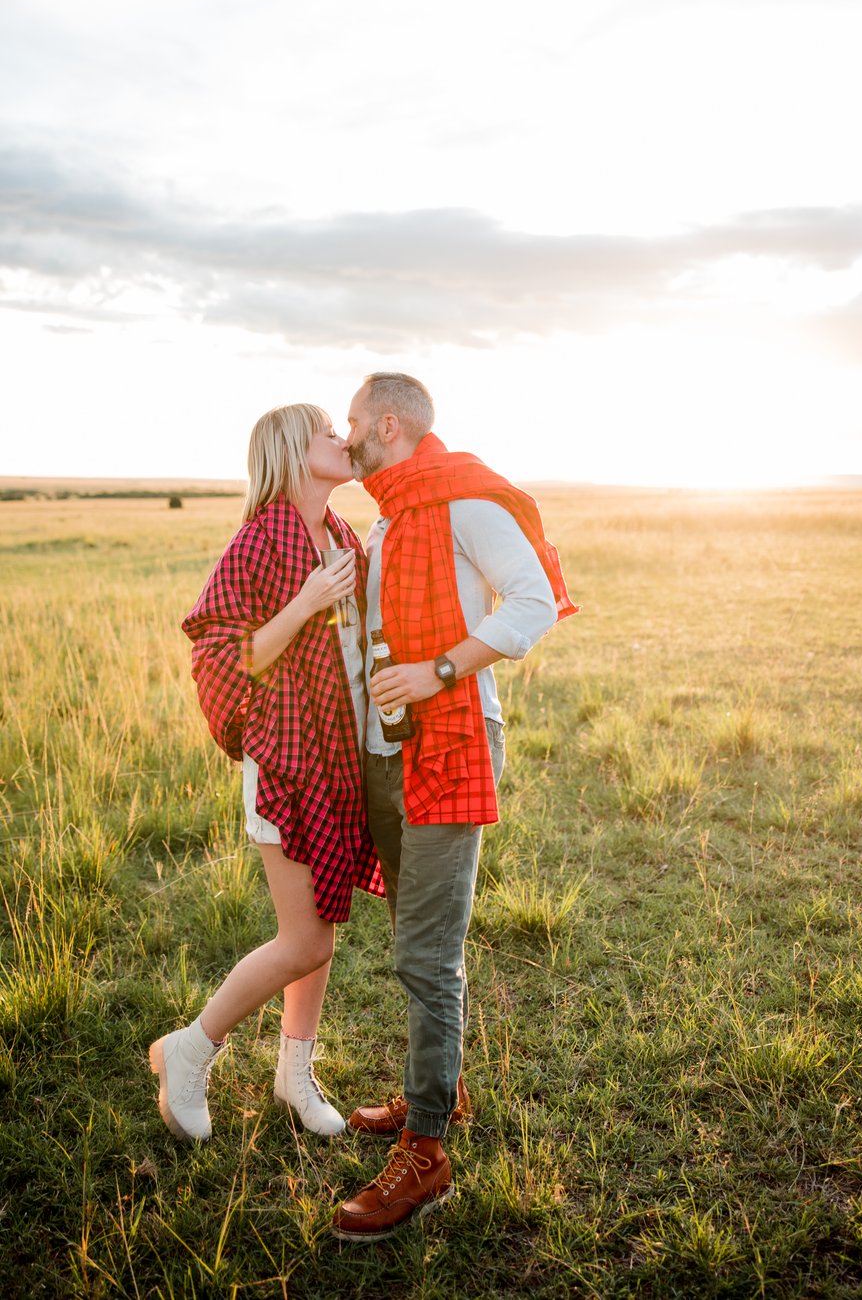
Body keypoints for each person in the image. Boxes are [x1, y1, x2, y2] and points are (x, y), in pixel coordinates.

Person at [330, 372, 577, 1243]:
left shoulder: (464, 503)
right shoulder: (391, 515)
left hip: (453, 740)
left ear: (387, 425)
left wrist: (440, 670)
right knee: (411, 935)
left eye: (353, 420)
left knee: (427, 957)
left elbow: (535, 605)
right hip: (387, 754)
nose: (345, 430)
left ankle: (427, 1151)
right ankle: (441, 1087)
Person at [149, 404, 382, 1143]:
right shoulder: (262, 537)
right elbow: (226, 652)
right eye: (326, 432)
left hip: (339, 757)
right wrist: (308, 601)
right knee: (304, 940)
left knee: (326, 925)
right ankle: (191, 1049)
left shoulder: (340, 532)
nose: (342, 439)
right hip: (287, 757)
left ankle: (293, 1072)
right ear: (290, 451)